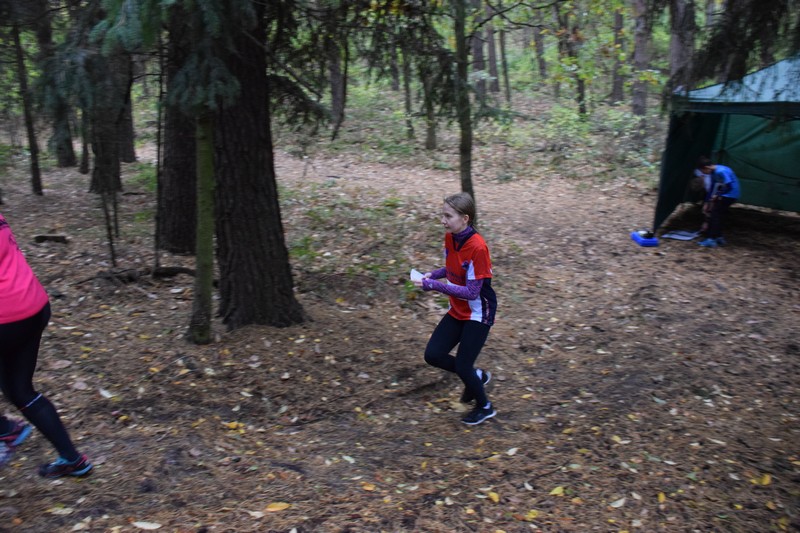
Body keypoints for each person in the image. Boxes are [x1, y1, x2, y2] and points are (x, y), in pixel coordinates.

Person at [0, 212, 93, 478]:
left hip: (6, 317)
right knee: (20, 390)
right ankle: (73, 460)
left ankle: (5, 431)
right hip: (32, 307)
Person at [413, 192, 498, 425]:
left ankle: (485, 406)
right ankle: (476, 377)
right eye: (443, 214)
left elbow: (472, 292)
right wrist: (434, 274)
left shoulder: (478, 248)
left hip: (479, 313)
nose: (443, 220)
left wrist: (435, 286)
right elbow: (452, 267)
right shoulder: (451, 237)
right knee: (433, 355)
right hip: (458, 310)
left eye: (448, 216)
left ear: (465, 219)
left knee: (462, 364)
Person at [696, 156, 741, 247]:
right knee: (718, 215)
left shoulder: (721, 171)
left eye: (703, 171)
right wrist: (707, 202)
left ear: (706, 168)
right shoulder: (712, 173)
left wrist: (718, 195)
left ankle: (711, 239)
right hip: (725, 194)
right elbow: (712, 187)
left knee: (715, 215)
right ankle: (718, 237)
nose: (703, 174)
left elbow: (729, 186)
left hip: (730, 195)